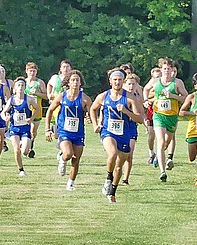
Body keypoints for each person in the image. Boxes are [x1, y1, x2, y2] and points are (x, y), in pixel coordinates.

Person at [90, 68, 144, 202]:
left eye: (120, 80)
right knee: (112, 154)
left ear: (123, 81)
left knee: (119, 165)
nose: (117, 82)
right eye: (115, 80)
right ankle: (109, 178)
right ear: (110, 81)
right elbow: (92, 108)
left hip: (124, 133)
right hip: (108, 131)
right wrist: (95, 124)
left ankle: (113, 192)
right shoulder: (104, 96)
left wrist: (126, 111)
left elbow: (139, 119)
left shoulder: (130, 98)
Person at [44, 70, 92, 191]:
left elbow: (91, 112)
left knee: (76, 160)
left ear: (81, 83)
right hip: (64, 131)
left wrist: (89, 117)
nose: (75, 82)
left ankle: (70, 183)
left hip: (78, 132)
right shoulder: (61, 96)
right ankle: (62, 159)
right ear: (68, 83)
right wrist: (47, 129)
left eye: (77, 80)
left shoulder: (85, 99)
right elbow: (49, 111)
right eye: (73, 80)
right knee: (69, 153)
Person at [146, 58, 189, 182]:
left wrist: (173, 96)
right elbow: (145, 89)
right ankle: (162, 171)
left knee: (166, 142)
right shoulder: (155, 81)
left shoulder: (177, 83)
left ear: (172, 70)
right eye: (164, 69)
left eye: (169, 69)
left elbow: (185, 97)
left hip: (172, 116)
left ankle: (158, 158)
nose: (166, 71)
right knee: (160, 141)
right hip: (158, 115)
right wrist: (146, 100)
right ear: (161, 69)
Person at [2, 77, 35, 176]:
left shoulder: (29, 99)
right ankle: (21, 170)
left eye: (22, 85)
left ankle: (22, 146)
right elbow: (3, 112)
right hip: (14, 128)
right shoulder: (11, 100)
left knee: (24, 151)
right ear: (15, 88)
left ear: (25, 87)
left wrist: (31, 118)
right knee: (16, 150)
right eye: (18, 85)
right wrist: (5, 118)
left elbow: (37, 109)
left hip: (25, 128)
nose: (20, 87)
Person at [20, 62, 47, 159]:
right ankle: (25, 145)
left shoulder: (39, 83)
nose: (32, 73)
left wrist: (37, 93)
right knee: (24, 128)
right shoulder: (23, 82)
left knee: (33, 131)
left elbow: (46, 96)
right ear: (26, 71)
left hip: (37, 110)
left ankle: (30, 143)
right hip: (24, 110)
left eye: (34, 71)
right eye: (30, 71)